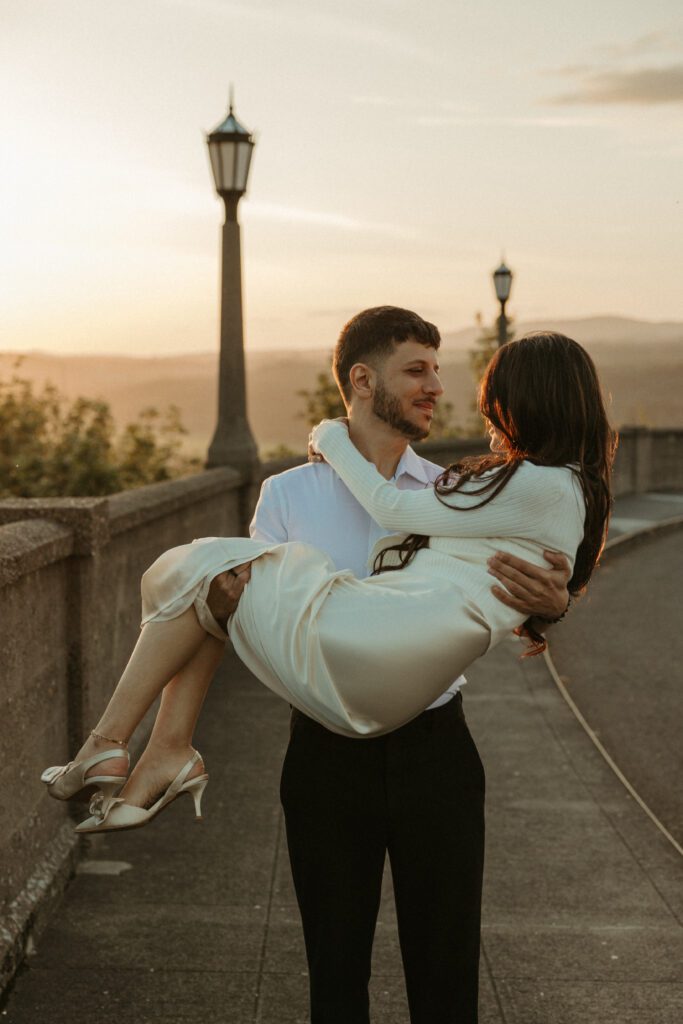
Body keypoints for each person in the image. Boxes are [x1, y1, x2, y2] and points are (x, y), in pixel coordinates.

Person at [42, 320, 613, 1018]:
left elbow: (507, 578)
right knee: (334, 984)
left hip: (434, 749)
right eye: (417, 371)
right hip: (324, 753)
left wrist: (551, 603)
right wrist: (225, 600)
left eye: (438, 370)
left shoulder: (457, 487)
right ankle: (159, 749)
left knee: (446, 982)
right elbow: (241, 613)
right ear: (363, 381)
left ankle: (143, 749)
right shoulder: (288, 495)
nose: (438, 388)